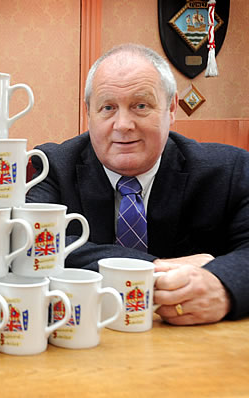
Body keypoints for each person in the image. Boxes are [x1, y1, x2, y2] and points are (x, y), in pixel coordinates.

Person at [26, 43, 249, 325]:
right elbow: (38, 246)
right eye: (107, 108)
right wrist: (154, 269)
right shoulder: (52, 166)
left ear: (171, 108)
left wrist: (224, 285)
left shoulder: (228, 170)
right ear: (89, 113)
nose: (123, 124)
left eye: (140, 106)